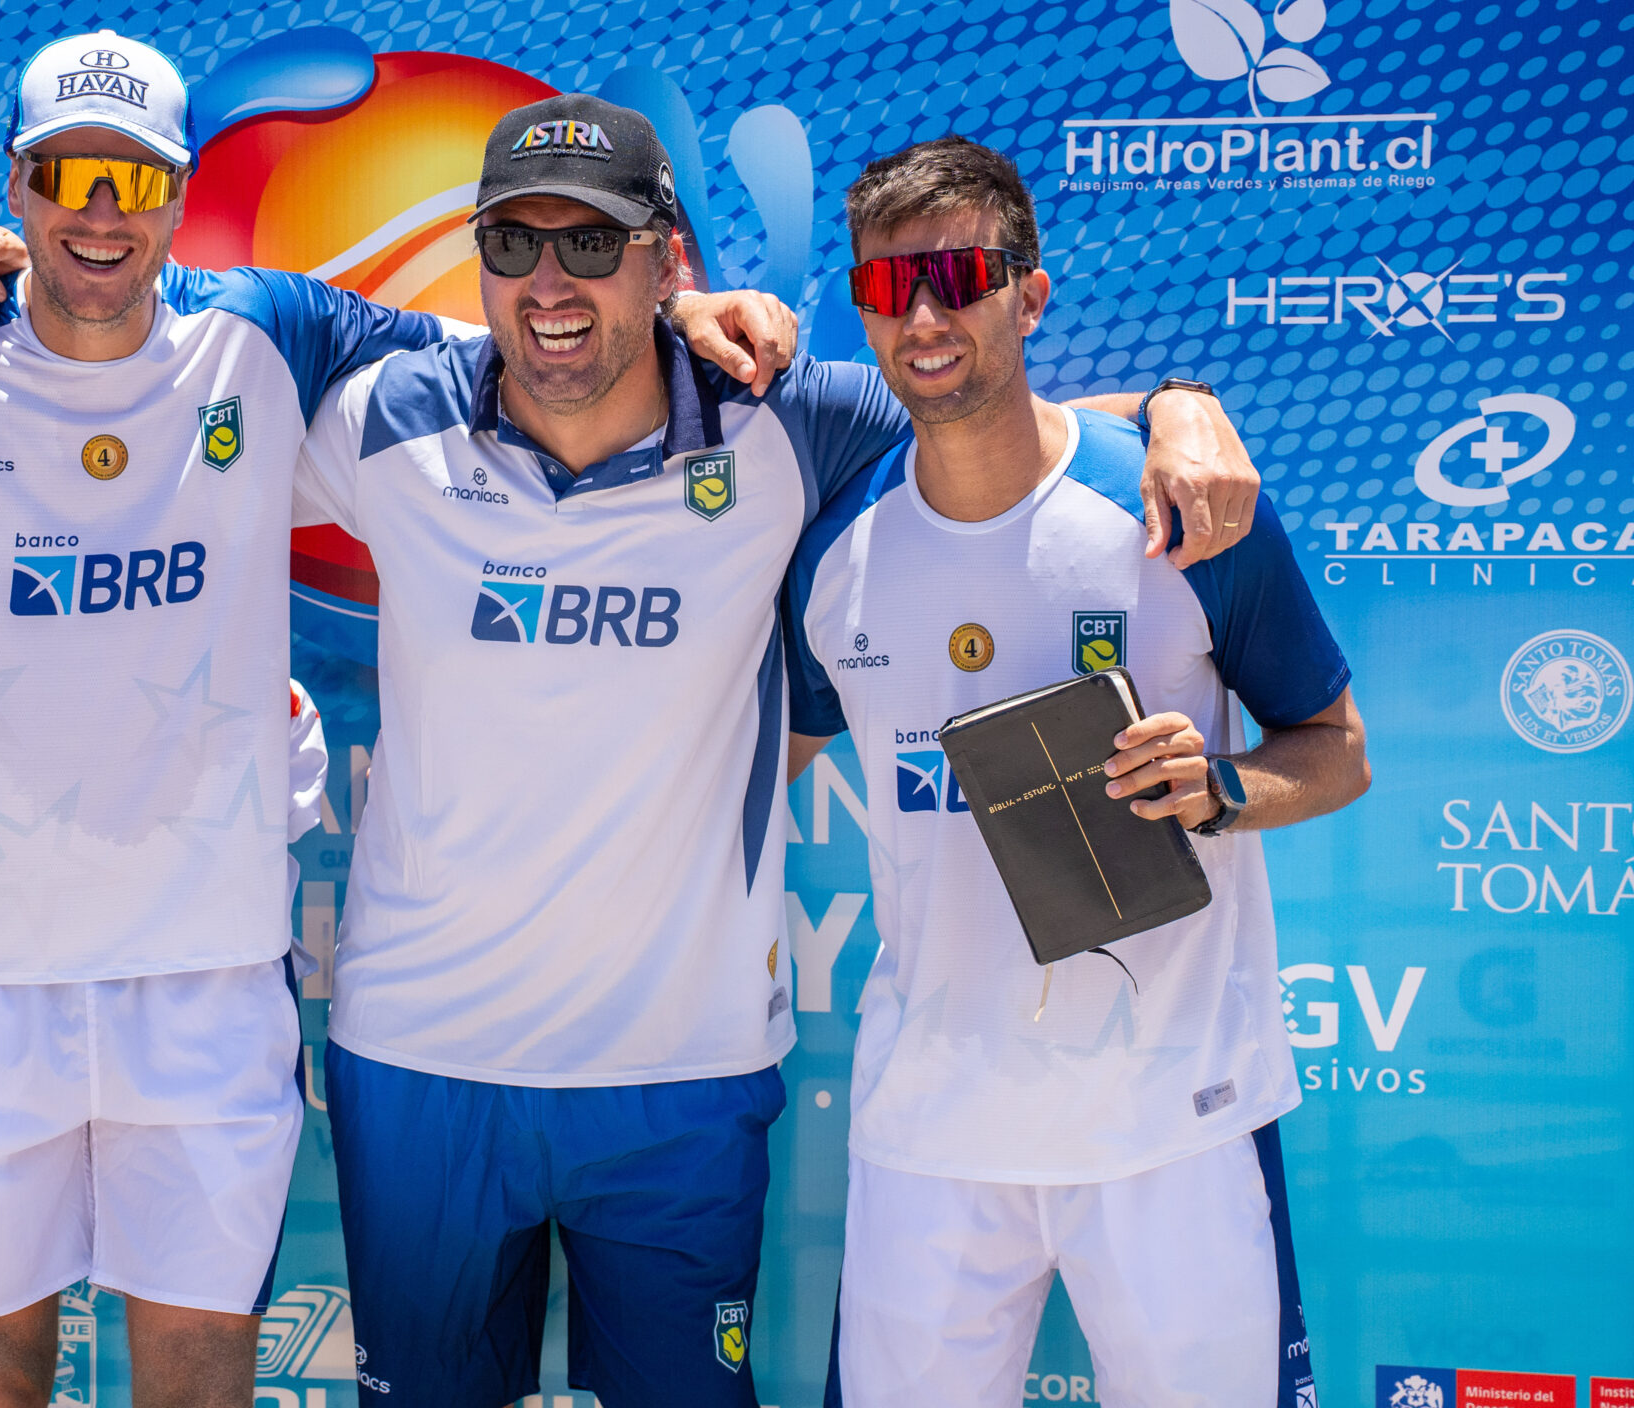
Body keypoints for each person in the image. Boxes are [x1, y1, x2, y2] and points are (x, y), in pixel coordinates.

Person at [280, 99, 1267, 1408]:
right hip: (419, 1061)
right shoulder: (387, 412)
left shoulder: (786, 418)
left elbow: (994, 402)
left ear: (664, 254)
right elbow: (170, 370)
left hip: (679, 1080)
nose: (549, 279)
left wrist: (1179, 405)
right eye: (513, 244)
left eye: (593, 244)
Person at [0, 31, 798, 1408]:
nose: (100, 211)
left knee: (197, 1367)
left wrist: (688, 321)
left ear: (183, 193)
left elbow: (527, 357)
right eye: (67, 174)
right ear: (16, 186)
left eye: (134, 177)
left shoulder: (274, 329)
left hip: (207, 975)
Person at [781, 136, 1369, 1407]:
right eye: (889, 288)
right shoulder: (833, 553)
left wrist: (1218, 788)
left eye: (959, 276)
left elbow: (1335, 754)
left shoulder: (1182, 510)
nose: (925, 316)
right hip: (930, 1138)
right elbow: (748, 760)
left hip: (1171, 1129)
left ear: (1030, 294)